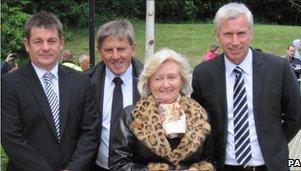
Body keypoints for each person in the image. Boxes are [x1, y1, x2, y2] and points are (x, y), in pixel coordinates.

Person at [191, 3, 301, 171]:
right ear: (217, 36)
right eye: (228, 34)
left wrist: (274, 142)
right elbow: (199, 121)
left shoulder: (278, 68)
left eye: (241, 33)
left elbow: (297, 114)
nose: (235, 42)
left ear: (251, 33)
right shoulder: (203, 74)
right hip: (223, 166)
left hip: (269, 165)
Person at [1, 11, 99, 171]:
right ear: (27, 44)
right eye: (38, 41)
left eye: (51, 41)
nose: (46, 47)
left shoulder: (81, 81)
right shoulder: (8, 84)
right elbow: (11, 138)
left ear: (61, 43)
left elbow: (90, 132)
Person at [109, 48, 215, 171]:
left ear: (182, 80)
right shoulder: (132, 115)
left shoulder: (200, 114)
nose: (165, 84)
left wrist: (198, 169)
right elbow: (118, 164)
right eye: (158, 78)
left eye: (171, 77)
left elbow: (210, 159)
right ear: (149, 83)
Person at [87, 19, 143, 171]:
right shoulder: (86, 83)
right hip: (97, 166)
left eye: (121, 49)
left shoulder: (150, 83)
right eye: (109, 50)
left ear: (133, 48)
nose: (116, 56)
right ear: (99, 51)